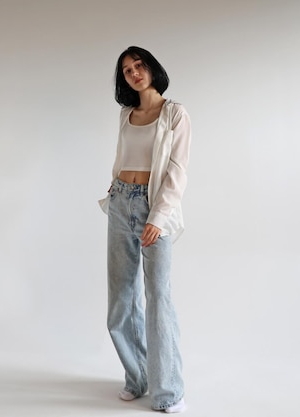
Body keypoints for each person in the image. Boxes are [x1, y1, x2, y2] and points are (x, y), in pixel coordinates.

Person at [99, 46, 191, 413]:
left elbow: (177, 172)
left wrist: (157, 217)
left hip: (155, 209)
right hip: (121, 203)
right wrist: (113, 188)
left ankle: (167, 392)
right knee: (121, 298)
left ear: (152, 68)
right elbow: (124, 157)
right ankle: (137, 377)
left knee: (159, 300)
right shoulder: (126, 114)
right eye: (126, 70)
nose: (134, 73)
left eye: (139, 65)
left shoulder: (175, 114)